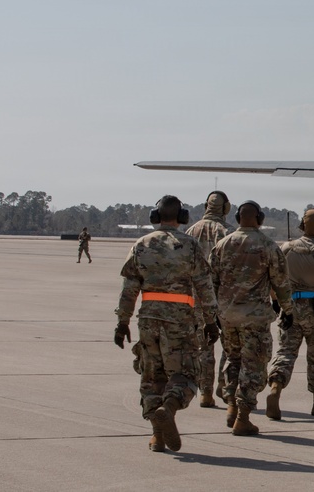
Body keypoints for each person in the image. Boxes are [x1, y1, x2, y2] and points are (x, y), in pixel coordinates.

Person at [113, 195, 220, 453]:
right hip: (180, 319)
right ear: (182, 218)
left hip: (149, 320)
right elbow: (204, 287)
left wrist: (122, 322)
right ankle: (169, 408)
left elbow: (129, 289)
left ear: (155, 216)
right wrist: (210, 321)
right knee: (185, 373)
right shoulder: (191, 246)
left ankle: (157, 436)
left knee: (152, 376)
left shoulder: (141, 244)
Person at [208, 200, 295, 435]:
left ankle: (231, 407)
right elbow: (281, 283)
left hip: (227, 316)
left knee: (234, 360)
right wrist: (288, 310)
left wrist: (214, 312)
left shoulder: (222, 245)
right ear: (260, 218)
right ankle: (243, 417)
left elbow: (211, 282)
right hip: (254, 318)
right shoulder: (267, 246)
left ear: (237, 218)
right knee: (254, 365)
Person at [266, 207, 314, 419]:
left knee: (286, 352)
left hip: (290, 307)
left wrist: (276, 302)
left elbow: (274, 279)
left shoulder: (286, 248)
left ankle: (275, 388)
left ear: (302, 225)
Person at [185, 190, 232, 407]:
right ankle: (224, 385)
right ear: (226, 208)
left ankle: (205, 393)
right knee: (230, 345)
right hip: (223, 297)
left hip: (196, 298)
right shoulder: (228, 233)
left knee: (203, 347)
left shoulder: (190, 231)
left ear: (206, 206)